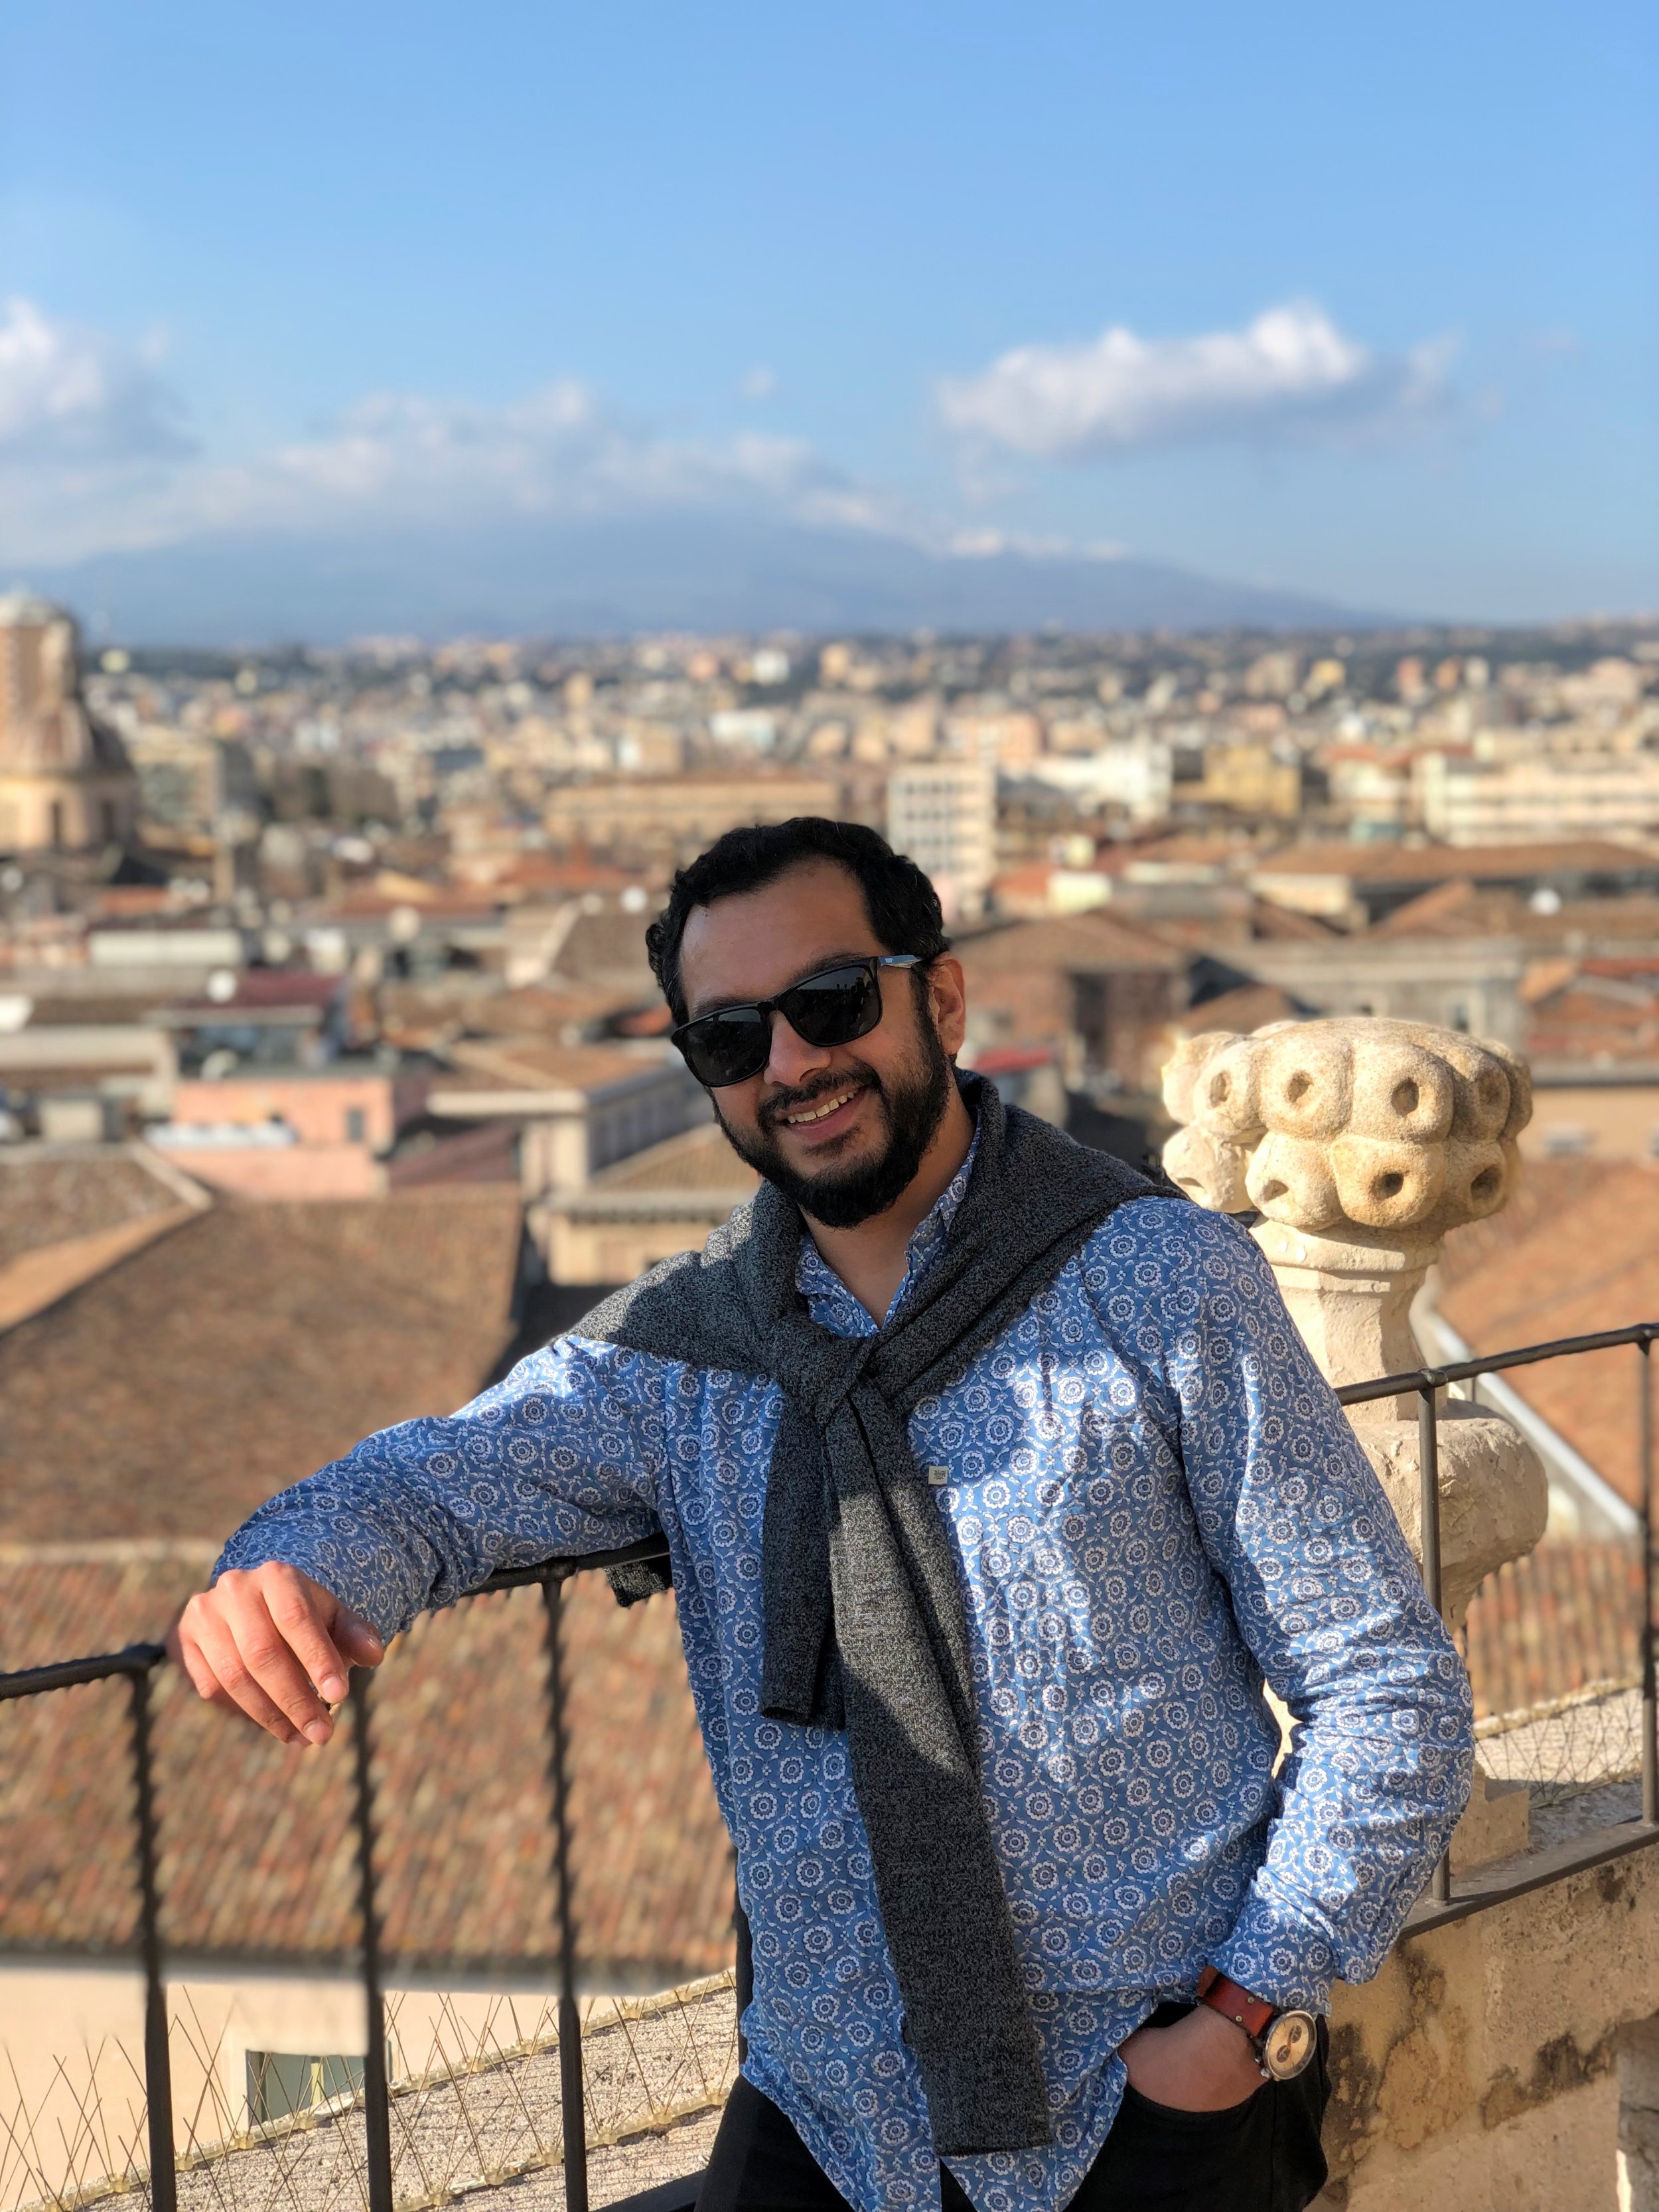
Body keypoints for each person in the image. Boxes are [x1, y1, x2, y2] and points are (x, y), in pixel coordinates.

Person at [175, 818, 1474, 2212]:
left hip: (1140, 2115)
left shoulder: (1159, 1283)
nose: (790, 1062)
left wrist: (1236, 2020)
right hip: (822, 2120)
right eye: (730, 1037)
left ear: (942, 996)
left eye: (831, 1001)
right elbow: (436, 1479)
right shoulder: (678, 1358)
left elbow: (1382, 1680)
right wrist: (282, 1561)